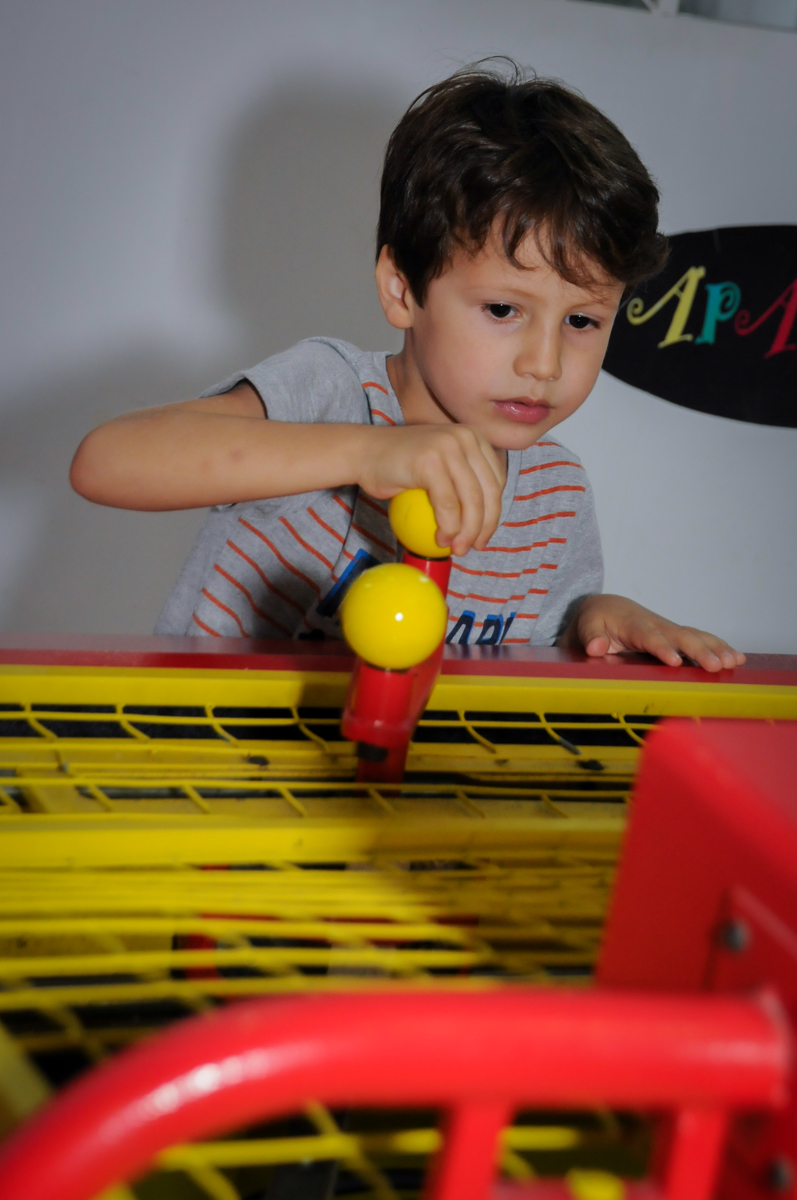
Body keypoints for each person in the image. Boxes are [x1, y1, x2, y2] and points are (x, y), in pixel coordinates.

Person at [70, 62, 744, 671]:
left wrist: (589, 623)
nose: (543, 363)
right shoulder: (330, 394)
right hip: (202, 772)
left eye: (580, 321)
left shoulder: (555, 496)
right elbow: (105, 461)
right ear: (401, 289)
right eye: (504, 310)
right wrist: (371, 453)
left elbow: (526, 661)